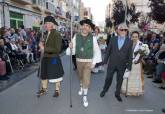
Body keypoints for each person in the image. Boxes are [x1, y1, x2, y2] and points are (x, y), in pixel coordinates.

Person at [66, 19, 102, 107]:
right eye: (84, 25)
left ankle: (85, 96)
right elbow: (72, 51)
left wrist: (94, 62)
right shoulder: (76, 36)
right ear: (81, 27)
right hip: (79, 61)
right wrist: (70, 47)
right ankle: (81, 86)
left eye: (87, 26)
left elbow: (97, 51)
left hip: (88, 62)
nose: (85, 27)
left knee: (86, 78)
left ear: (90, 28)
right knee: (80, 77)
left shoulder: (93, 38)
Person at [100, 23, 133, 102]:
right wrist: (105, 61)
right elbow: (108, 51)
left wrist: (129, 67)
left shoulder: (129, 41)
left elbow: (130, 54)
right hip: (112, 63)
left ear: (127, 31)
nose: (123, 31)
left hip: (122, 65)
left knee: (120, 80)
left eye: (125, 30)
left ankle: (117, 93)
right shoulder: (113, 39)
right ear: (118, 30)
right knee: (108, 78)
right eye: (121, 29)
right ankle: (104, 90)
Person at [37, 16, 64, 97]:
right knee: (43, 73)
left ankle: (57, 90)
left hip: (54, 58)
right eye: (45, 23)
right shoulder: (45, 34)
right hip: (45, 57)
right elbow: (44, 46)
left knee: (56, 75)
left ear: (52, 24)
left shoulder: (57, 34)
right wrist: (41, 47)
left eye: (48, 23)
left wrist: (44, 48)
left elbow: (57, 49)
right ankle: (44, 89)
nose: (46, 25)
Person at [121, 31, 149, 96]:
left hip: (137, 63)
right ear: (131, 37)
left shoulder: (141, 45)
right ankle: (126, 90)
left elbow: (143, 54)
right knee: (128, 75)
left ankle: (135, 91)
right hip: (129, 62)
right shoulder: (128, 43)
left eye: (136, 37)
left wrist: (141, 57)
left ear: (138, 37)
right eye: (133, 37)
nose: (134, 38)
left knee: (136, 77)